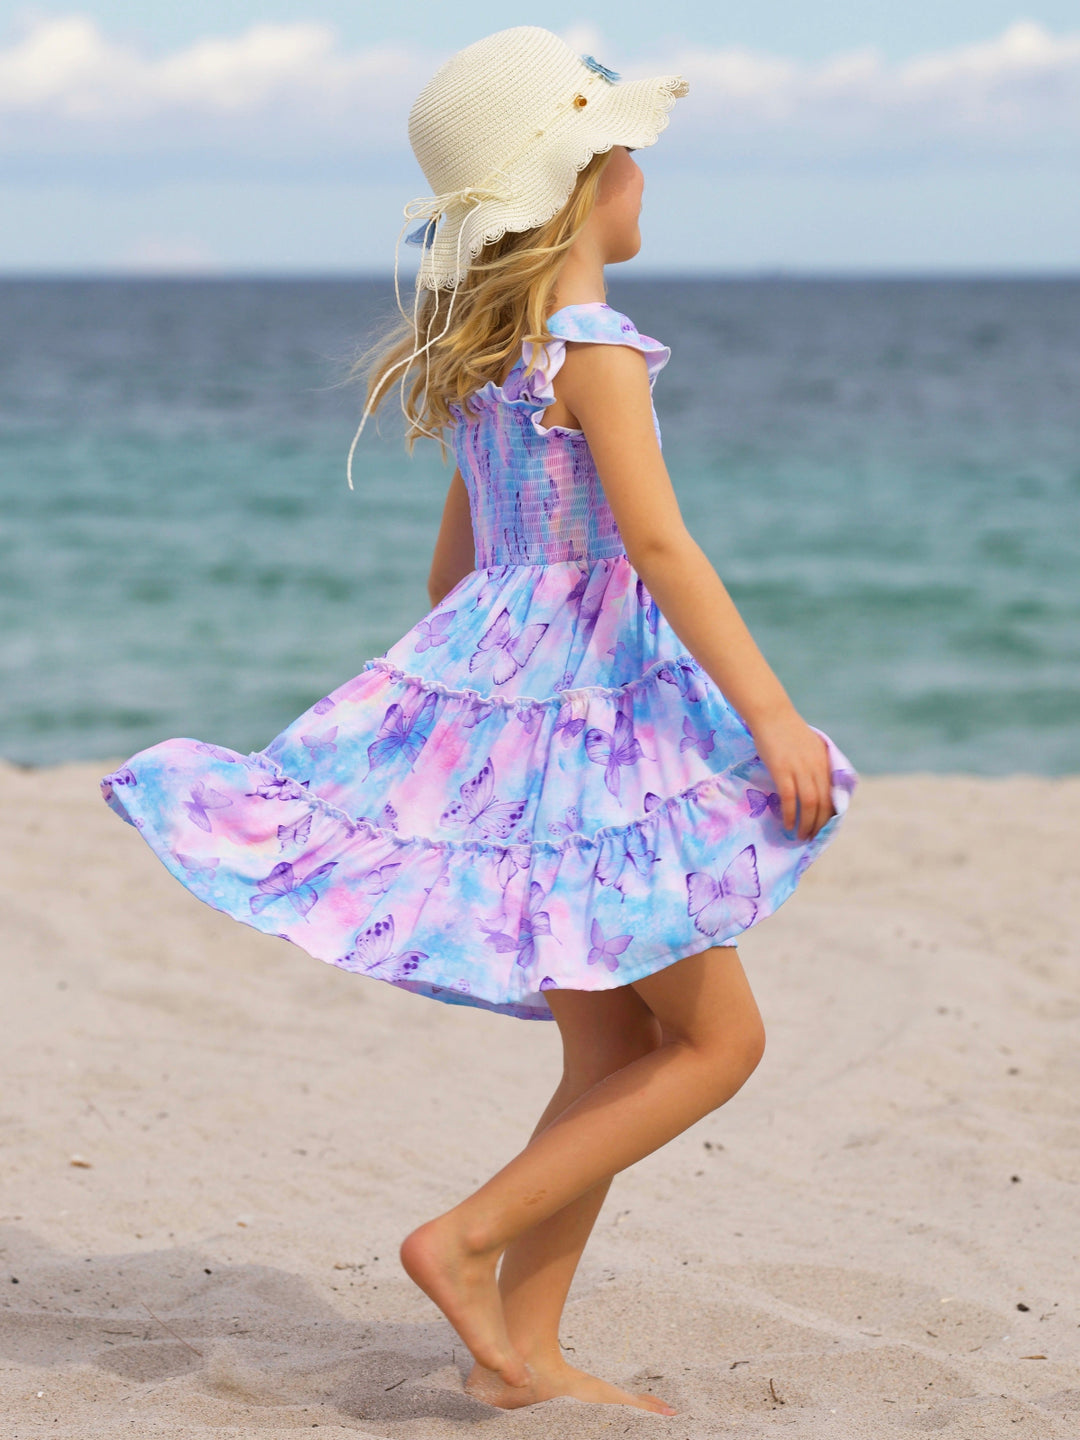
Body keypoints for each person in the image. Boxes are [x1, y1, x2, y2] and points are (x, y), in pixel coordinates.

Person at [101, 25, 857, 1417]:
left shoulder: (493, 360)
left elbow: (457, 578)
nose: (643, 174)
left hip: (528, 726)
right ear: (584, 181)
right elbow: (660, 548)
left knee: (612, 1055)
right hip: (601, 733)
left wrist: (490, 734)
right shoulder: (598, 353)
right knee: (719, 1045)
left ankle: (524, 1355)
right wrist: (773, 714)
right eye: (626, 152)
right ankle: (462, 1240)